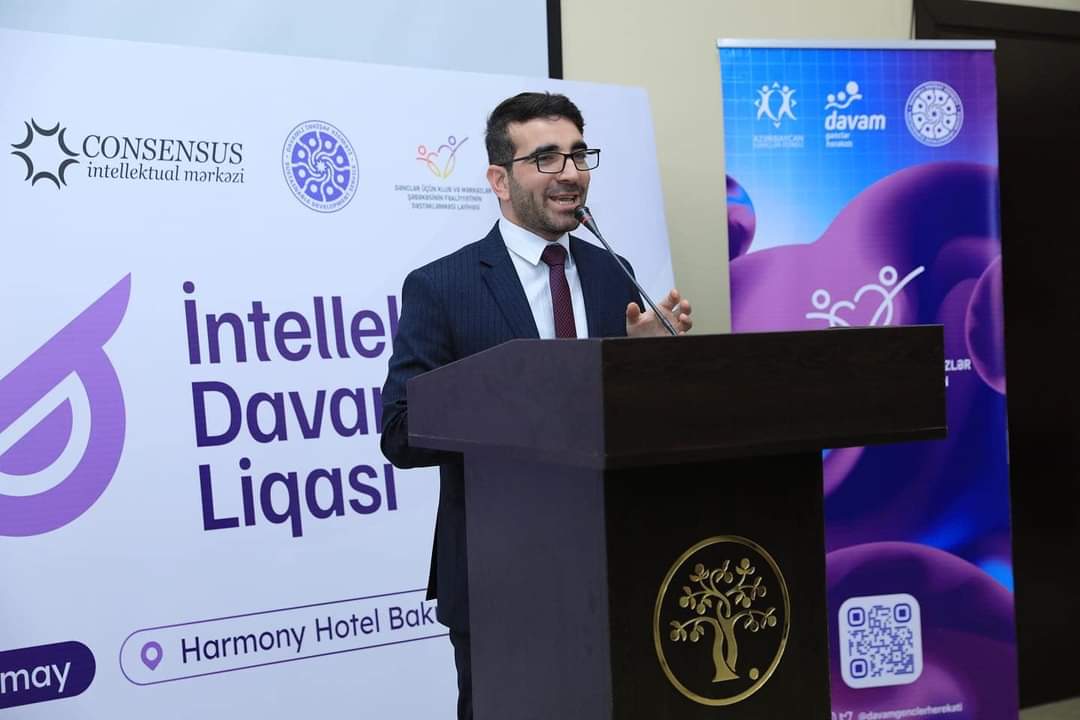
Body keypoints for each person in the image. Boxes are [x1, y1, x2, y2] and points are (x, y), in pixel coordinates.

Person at [380, 91, 692, 720]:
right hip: (499, 578)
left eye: (578, 155)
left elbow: (618, 423)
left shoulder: (613, 273)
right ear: (500, 180)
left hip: (616, 564)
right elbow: (401, 431)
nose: (570, 173)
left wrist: (638, 365)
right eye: (546, 158)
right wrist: (528, 394)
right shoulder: (442, 287)